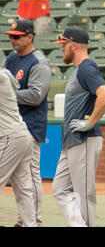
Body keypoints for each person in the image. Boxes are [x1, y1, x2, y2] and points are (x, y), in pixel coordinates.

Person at [51, 26, 105, 227]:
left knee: (83, 195)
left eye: (64, 45)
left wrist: (90, 122)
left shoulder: (86, 67)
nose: (61, 49)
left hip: (84, 139)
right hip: (71, 141)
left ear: (74, 45)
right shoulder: (78, 70)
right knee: (59, 189)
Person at [1, 19, 51, 227]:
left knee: (30, 176)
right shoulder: (12, 59)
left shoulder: (38, 62)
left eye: (17, 36)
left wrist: (8, 95)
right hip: (12, 122)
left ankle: (34, 221)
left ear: (30, 36)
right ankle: (28, 221)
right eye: (11, 36)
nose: (12, 40)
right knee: (21, 181)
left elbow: (36, 95)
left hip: (30, 125)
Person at [0, 67, 37, 227]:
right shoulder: (4, 74)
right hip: (21, 135)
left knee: (24, 188)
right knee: (23, 189)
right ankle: (30, 224)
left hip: (11, 137)